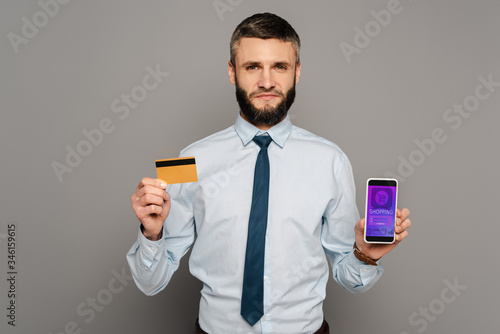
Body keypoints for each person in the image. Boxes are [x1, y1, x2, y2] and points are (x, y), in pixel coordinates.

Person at [127, 12, 411, 334]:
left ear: (297, 72)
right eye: (252, 67)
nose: (266, 81)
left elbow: (352, 280)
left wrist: (365, 256)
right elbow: (150, 283)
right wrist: (151, 234)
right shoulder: (188, 160)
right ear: (232, 73)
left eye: (280, 66)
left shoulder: (332, 160)